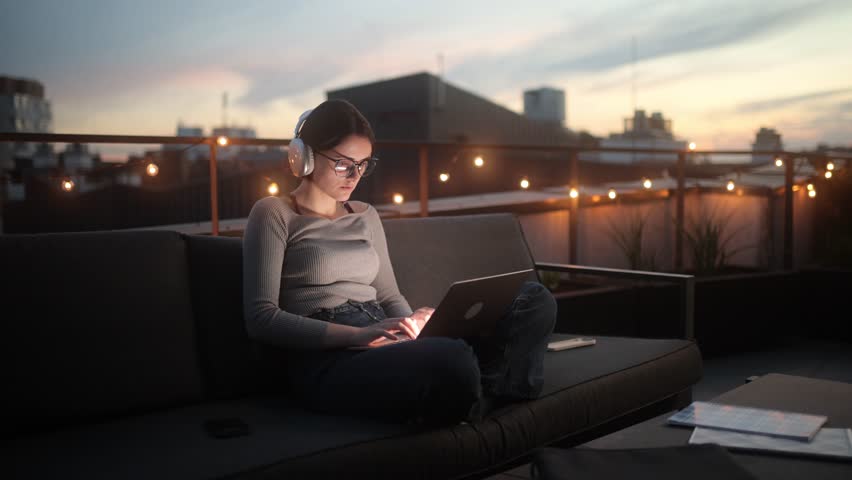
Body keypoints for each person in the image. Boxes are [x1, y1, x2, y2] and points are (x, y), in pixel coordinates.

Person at [243, 99, 556, 425]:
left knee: (534, 300)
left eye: (363, 164)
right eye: (343, 164)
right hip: (328, 360)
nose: (355, 175)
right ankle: (489, 389)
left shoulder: (366, 215)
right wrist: (355, 336)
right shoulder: (273, 213)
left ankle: (473, 395)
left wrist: (416, 328)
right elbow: (261, 318)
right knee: (453, 359)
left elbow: (389, 297)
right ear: (303, 156)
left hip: (385, 340)